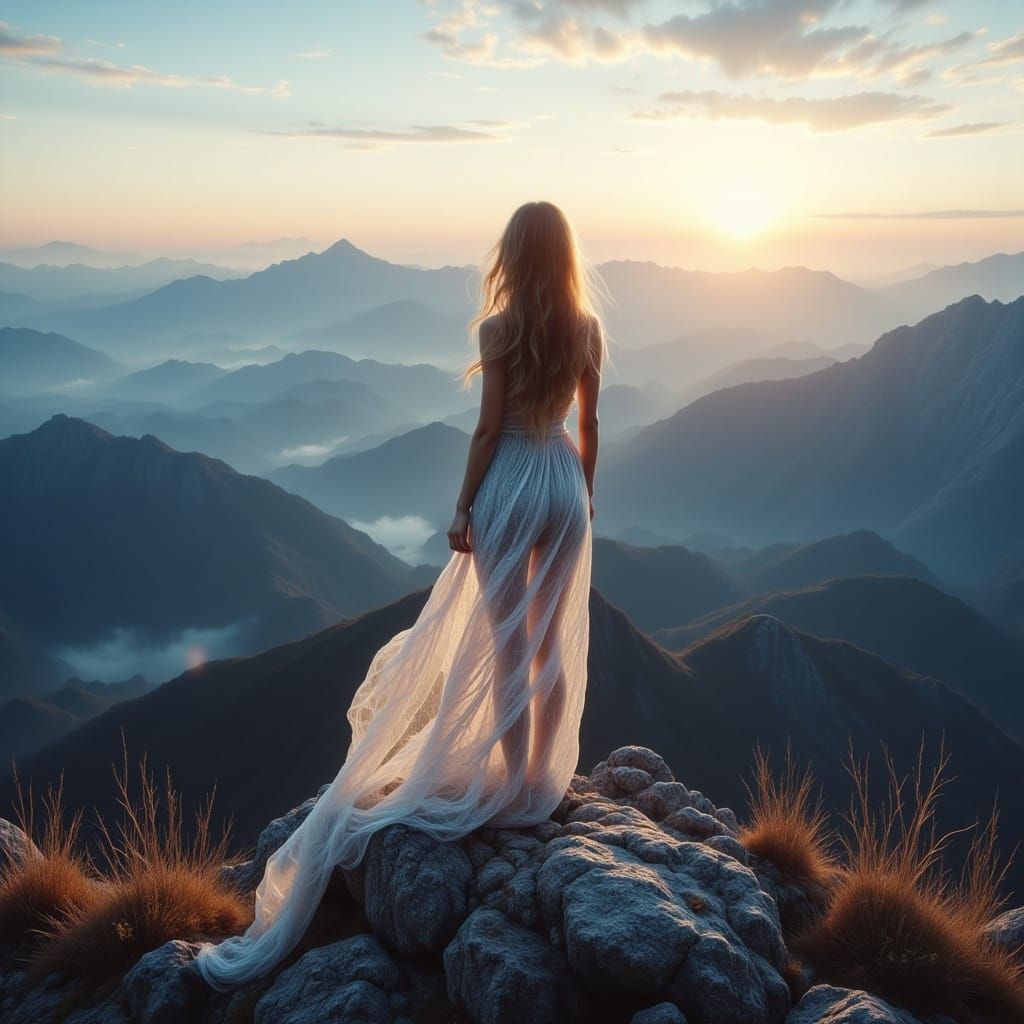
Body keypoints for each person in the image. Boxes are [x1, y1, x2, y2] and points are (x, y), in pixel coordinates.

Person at [195, 200, 605, 990]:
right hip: (560, 483)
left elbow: (489, 431)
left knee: (505, 640)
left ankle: (514, 785)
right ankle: (543, 787)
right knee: (548, 642)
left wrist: (462, 508)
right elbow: (593, 425)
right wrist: (582, 494)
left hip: (514, 481)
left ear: (514, 254)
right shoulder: (586, 328)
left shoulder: (499, 329)